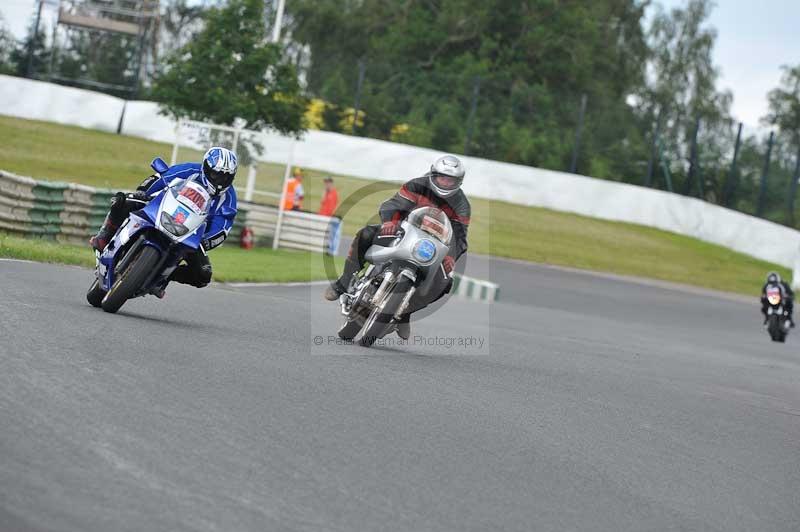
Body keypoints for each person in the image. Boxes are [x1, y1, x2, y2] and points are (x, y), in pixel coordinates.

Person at [323, 154, 470, 339]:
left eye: (451, 180)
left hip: (432, 247)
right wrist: (389, 222)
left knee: (445, 282)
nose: (445, 183)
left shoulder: (462, 205)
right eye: (442, 177)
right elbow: (394, 205)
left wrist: (450, 257)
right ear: (433, 174)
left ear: (459, 182)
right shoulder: (417, 185)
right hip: (402, 229)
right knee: (365, 234)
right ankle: (342, 283)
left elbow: (459, 237)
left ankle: (405, 313)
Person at [89, 146, 238, 291]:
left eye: (226, 177)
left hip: (189, 234)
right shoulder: (190, 170)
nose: (220, 180)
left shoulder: (229, 199)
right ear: (206, 168)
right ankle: (104, 237)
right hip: (160, 211)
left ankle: (165, 275)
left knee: (203, 274)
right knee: (122, 201)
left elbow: (222, 228)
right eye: (216, 174)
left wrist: (205, 241)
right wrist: (143, 193)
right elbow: (162, 177)